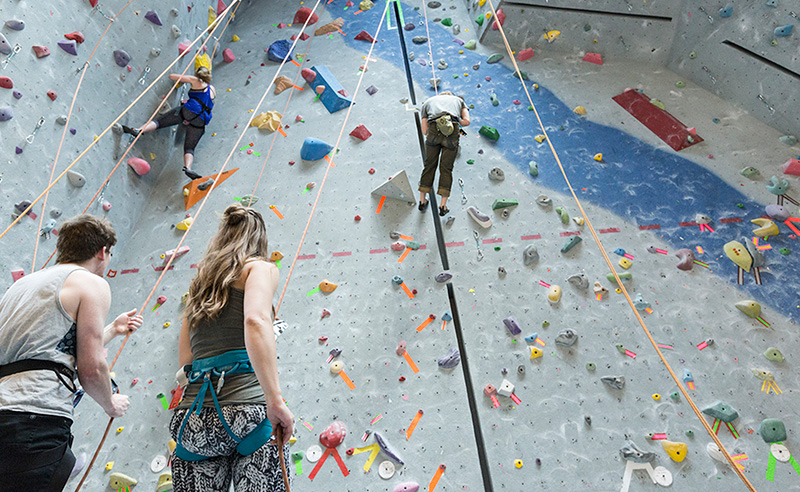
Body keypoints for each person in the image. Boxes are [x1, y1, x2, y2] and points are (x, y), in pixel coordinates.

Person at [0, 214, 143, 492]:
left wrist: (112, 328)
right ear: (102, 252)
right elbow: (91, 369)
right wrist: (110, 403)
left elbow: (47, 349)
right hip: (36, 418)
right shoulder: (91, 283)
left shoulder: (21, 287)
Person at [170, 204, 294, 491]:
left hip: (193, 419)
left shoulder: (201, 284)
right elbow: (255, 320)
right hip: (247, 411)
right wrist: (275, 400)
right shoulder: (260, 268)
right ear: (259, 240)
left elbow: (187, 359)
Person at [123, 66, 216, 181]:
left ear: (198, 75)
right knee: (189, 148)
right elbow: (206, 102)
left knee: (159, 122)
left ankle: (139, 130)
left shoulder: (194, 80)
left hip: (188, 111)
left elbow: (172, 77)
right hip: (200, 121)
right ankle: (188, 168)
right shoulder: (212, 89)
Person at [418, 91, 470, 216]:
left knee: (429, 165)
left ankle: (422, 200)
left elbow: (424, 131)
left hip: (433, 130)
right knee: (446, 169)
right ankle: (443, 205)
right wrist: (456, 121)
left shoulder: (428, 102)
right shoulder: (459, 100)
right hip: (451, 128)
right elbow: (467, 121)